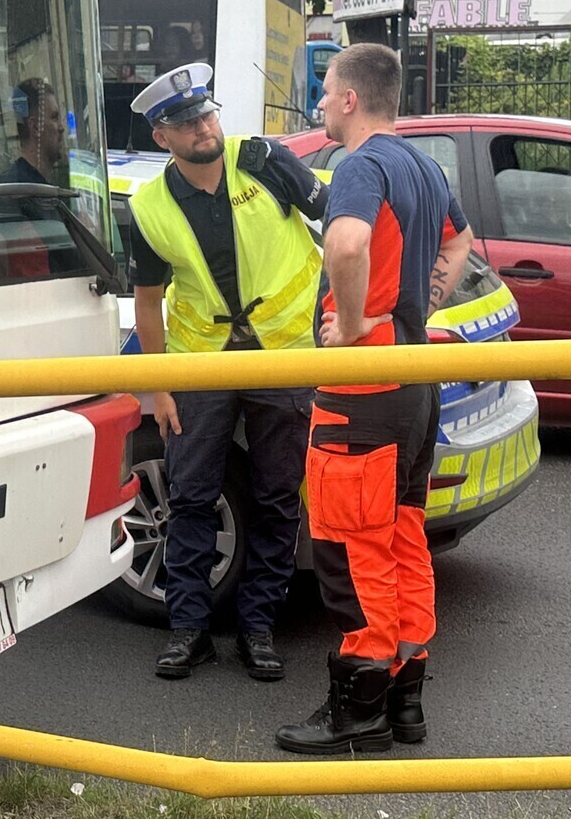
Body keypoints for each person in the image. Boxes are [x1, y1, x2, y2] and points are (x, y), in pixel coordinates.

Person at [275, 43, 474, 755]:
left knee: (353, 554)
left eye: (326, 92)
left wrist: (358, 323)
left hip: (363, 392)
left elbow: (350, 244)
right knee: (400, 544)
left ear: (352, 99)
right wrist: (415, 307)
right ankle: (404, 702)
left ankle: (357, 711)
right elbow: (460, 241)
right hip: (415, 389)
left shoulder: (360, 164)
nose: (321, 103)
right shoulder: (421, 164)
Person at [125, 62, 328, 682]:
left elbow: (342, 220)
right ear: (163, 137)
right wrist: (157, 384)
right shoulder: (150, 206)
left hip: (285, 356)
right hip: (201, 365)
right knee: (189, 497)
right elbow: (146, 298)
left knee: (274, 497)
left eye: (207, 114)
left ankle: (258, 630)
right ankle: (189, 631)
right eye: (186, 123)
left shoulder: (264, 160)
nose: (203, 128)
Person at [0, 77, 66, 185]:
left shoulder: (39, 187)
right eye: (54, 117)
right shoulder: (11, 191)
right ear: (35, 127)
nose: (61, 128)